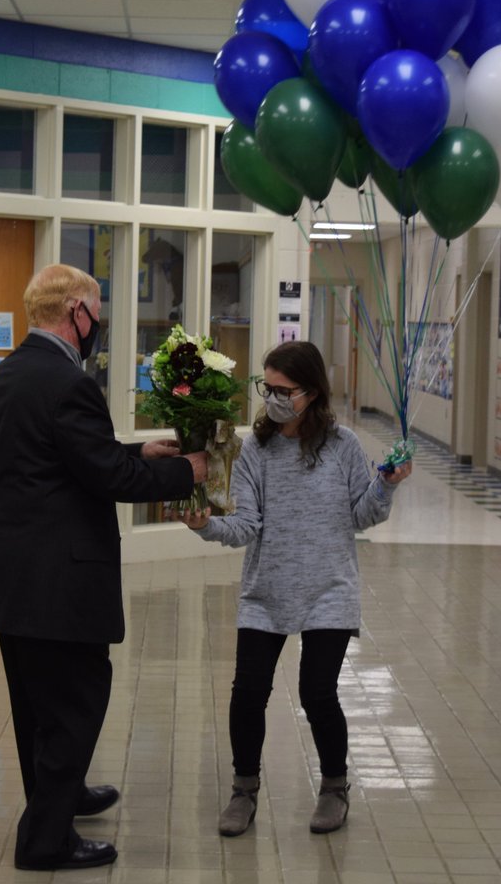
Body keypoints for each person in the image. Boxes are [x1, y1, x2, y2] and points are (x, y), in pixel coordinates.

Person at [0, 264, 207, 872]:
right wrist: (189, 472)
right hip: (57, 579)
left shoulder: (14, 371)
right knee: (75, 699)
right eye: (95, 310)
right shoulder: (70, 383)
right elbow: (110, 478)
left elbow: (59, 457)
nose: (97, 322)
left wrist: (136, 449)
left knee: (37, 703)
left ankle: (61, 795)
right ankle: (45, 839)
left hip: (11, 572)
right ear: (75, 310)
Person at [174, 340, 412, 837]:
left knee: (317, 692)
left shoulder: (343, 445)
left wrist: (386, 484)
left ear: (312, 392)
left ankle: (334, 787)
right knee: (247, 694)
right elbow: (245, 527)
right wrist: (205, 526)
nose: (274, 398)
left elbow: (361, 516)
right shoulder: (255, 450)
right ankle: (243, 791)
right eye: (268, 388)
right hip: (266, 590)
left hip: (330, 588)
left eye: (284, 390)